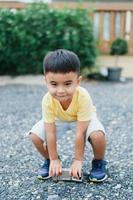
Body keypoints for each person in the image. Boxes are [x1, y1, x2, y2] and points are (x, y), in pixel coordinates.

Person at [29, 49, 108, 182]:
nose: (60, 91)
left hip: (82, 119)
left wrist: (78, 160)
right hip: (59, 119)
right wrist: (54, 158)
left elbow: (80, 134)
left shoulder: (83, 97)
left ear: (78, 81)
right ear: (45, 81)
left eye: (67, 84)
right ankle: (49, 161)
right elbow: (50, 133)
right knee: (35, 136)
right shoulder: (47, 100)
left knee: (98, 135)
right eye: (53, 84)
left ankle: (99, 162)